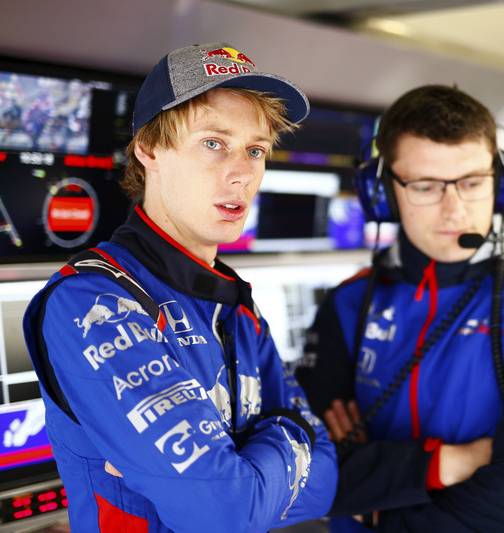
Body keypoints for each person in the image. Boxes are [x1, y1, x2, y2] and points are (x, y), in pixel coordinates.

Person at [22, 42, 337, 532]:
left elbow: (324, 485)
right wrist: (293, 432)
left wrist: (243, 472)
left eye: (255, 150)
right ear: (148, 149)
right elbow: (226, 513)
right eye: (214, 143)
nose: (241, 173)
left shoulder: (235, 304)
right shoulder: (91, 302)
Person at [294, 84, 504, 532]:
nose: (455, 210)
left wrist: (376, 506)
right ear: (383, 193)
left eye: (473, 183)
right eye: (426, 186)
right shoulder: (348, 303)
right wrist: (449, 464)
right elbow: (302, 475)